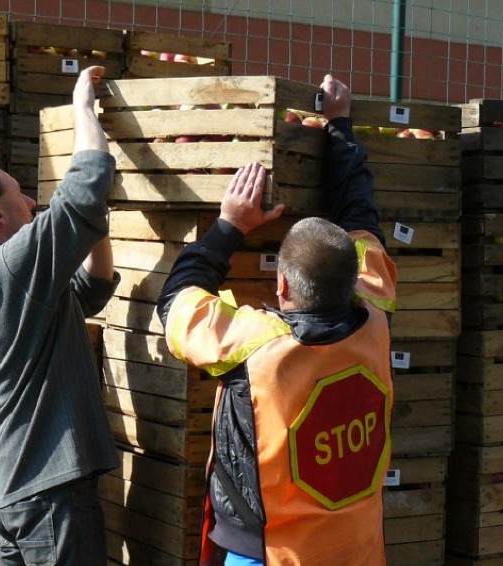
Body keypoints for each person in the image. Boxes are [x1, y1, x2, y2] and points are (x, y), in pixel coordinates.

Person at [156, 74, 398, 566]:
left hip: (270, 555)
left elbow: (176, 300)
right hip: (358, 548)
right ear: (354, 275)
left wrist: (231, 225)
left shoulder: (256, 345)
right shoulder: (376, 311)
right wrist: (340, 125)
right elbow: (362, 217)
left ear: (282, 287)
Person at [0, 65, 119, 566]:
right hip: (48, 493)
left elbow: (89, 291)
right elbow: (83, 187)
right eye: (19, 194)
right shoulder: (10, 267)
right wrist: (82, 105)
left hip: (13, 491)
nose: (31, 200)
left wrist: (90, 225)